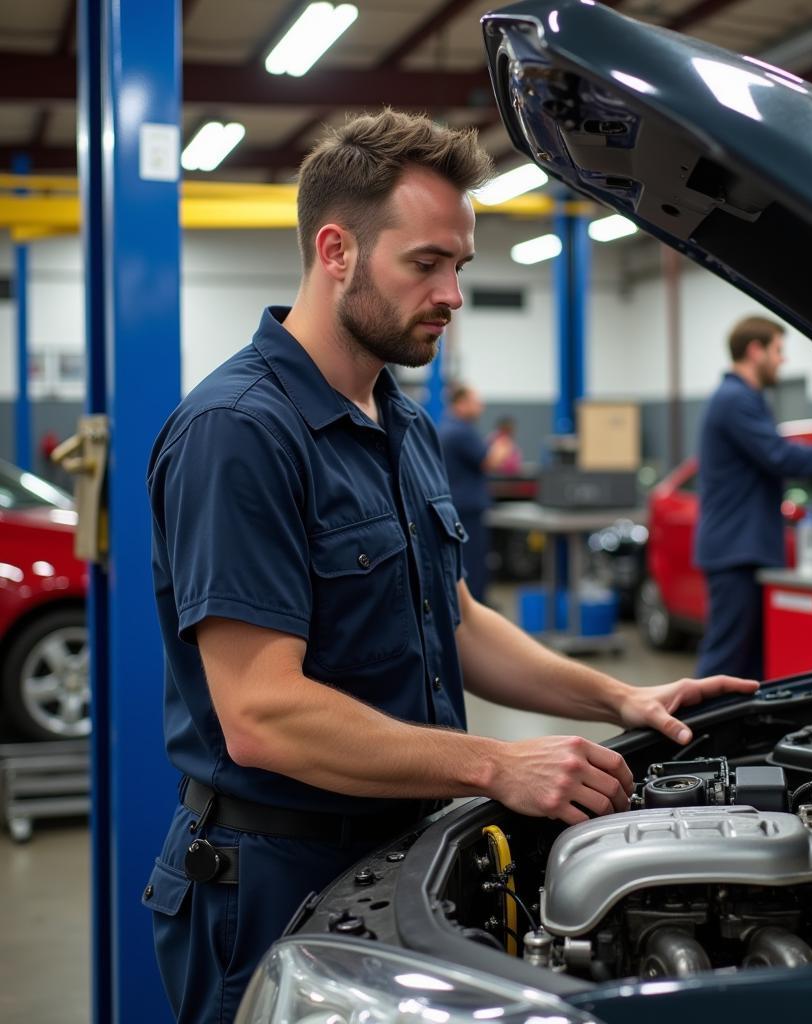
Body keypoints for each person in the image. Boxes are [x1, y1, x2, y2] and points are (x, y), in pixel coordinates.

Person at [144, 109, 759, 1024]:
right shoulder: (240, 433)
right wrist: (495, 765)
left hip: (399, 852)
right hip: (269, 884)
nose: (452, 294)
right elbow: (261, 716)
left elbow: (456, 619)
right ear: (336, 250)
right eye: (425, 264)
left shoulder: (403, 423)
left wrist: (619, 699)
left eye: (459, 266)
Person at [694, 315, 812, 680]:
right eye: (778, 350)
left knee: (747, 667)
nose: (783, 360)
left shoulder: (743, 399)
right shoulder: (734, 400)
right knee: (725, 662)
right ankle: (689, 733)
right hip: (736, 552)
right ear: (755, 351)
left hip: (743, 550)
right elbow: (781, 457)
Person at [438, 385, 513, 601]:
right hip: (468, 509)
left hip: (457, 505)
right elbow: (489, 462)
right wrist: (502, 444)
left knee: (465, 561)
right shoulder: (462, 431)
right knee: (474, 563)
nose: (481, 407)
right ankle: (476, 608)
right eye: (475, 402)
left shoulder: (447, 427)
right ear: (461, 403)